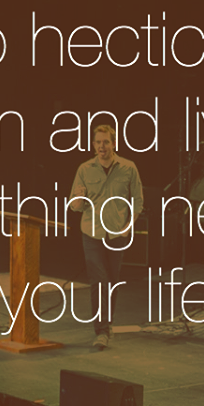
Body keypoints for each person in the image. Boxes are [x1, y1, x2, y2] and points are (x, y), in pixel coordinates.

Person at [69, 125, 143, 350]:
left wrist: (128, 227)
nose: (102, 146)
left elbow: (138, 202)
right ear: (93, 145)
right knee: (99, 281)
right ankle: (101, 331)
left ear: (114, 144)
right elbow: (75, 206)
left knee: (112, 282)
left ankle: (107, 324)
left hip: (117, 233)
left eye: (106, 142)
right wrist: (78, 199)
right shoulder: (84, 169)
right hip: (91, 232)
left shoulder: (128, 168)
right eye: (98, 142)